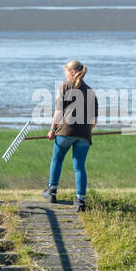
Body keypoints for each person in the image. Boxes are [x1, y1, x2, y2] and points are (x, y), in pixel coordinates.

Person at [43, 60, 97, 212]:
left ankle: (52, 192)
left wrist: (52, 129)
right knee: (79, 167)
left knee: (57, 159)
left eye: (66, 73)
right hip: (84, 135)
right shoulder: (91, 92)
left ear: (72, 72)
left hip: (65, 132)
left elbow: (59, 112)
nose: (65, 76)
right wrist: (86, 131)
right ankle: (81, 201)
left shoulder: (64, 87)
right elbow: (94, 121)